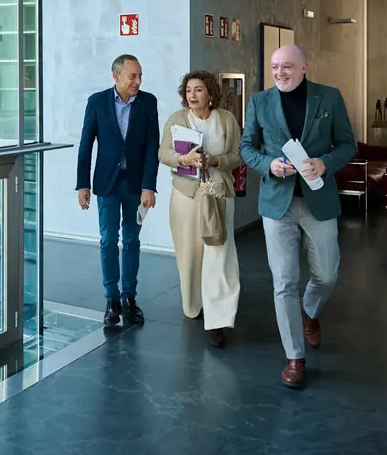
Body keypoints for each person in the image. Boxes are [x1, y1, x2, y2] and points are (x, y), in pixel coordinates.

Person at [239, 45, 356, 388]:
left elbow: (348, 145)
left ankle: (310, 310)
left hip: (318, 201)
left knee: (327, 275)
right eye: (275, 67)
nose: (280, 73)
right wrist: (269, 165)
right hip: (277, 204)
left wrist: (326, 163)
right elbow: (247, 147)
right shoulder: (260, 101)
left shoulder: (329, 98)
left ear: (305, 67)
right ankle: (294, 356)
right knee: (283, 282)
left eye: (287, 66)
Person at [157, 70, 242, 347]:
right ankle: (194, 305)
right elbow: (163, 153)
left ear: (210, 94)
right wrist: (183, 158)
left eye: (198, 90)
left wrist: (215, 160)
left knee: (220, 253)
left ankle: (218, 320)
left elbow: (238, 154)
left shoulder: (226, 119)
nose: (192, 96)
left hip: (218, 194)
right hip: (186, 196)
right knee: (189, 254)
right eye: (189, 91)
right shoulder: (177, 119)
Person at [76, 54, 160, 327]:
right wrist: (83, 184)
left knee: (132, 241)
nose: (137, 81)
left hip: (136, 185)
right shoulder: (97, 102)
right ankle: (112, 298)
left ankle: (129, 297)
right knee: (108, 240)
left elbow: (152, 147)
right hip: (107, 184)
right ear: (116, 76)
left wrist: (149, 185)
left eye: (140, 76)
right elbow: (86, 144)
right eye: (132, 76)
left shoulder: (148, 102)